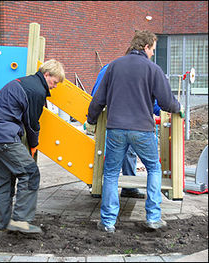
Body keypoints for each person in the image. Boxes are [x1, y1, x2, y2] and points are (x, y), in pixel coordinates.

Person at [86, 30, 182, 233]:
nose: (153, 54)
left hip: (116, 129)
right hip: (142, 129)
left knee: (111, 173)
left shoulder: (113, 66)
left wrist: (91, 120)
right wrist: (178, 108)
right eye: (153, 50)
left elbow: (98, 99)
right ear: (146, 47)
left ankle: (108, 222)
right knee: (154, 169)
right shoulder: (153, 69)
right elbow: (166, 102)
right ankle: (153, 218)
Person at [0, 59, 65, 234]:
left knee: (4, 181)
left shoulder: (25, 82)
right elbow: (32, 123)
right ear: (46, 74)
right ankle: (21, 220)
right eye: (54, 82)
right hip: (4, 136)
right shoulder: (37, 90)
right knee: (30, 173)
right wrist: (34, 145)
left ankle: (1, 225)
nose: (54, 86)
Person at [90, 62, 162, 199]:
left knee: (112, 165)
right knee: (151, 166)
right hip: (137, 125)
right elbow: (155, 97)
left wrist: (92, 118)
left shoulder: (110, 68)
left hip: (115, 123)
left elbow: (97, 96)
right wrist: (162, 110)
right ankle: (152, 215)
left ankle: (109, 213)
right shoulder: (146, 69)